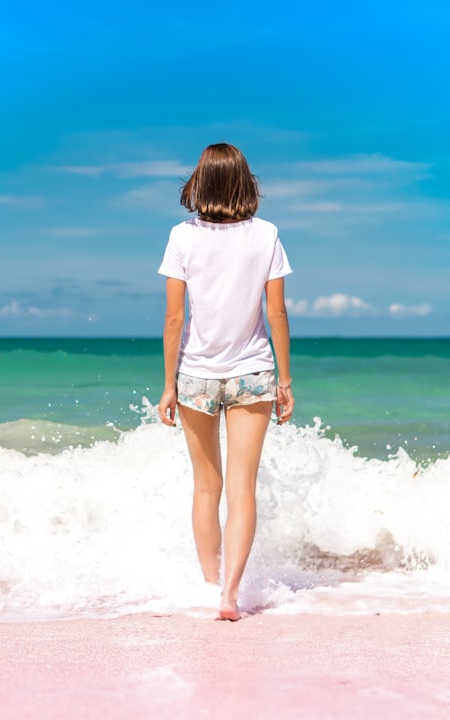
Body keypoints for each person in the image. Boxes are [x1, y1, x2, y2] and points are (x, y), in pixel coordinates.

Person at [156, 142, 294, 621]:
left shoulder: (181, 236)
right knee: (242, 488)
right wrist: (286, 379)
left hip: (194, 373)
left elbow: (175, 319)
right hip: (253, 371)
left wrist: (169, 384)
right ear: (244, 182)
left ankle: (209, 586)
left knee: (205, 489)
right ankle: (229, 597)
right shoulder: (267, 234)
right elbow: (275, 312)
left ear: (200, 182)